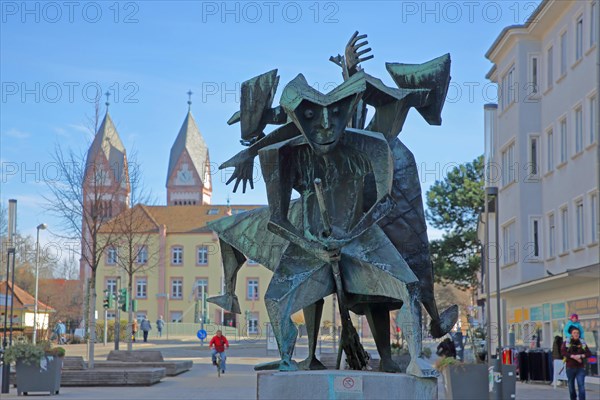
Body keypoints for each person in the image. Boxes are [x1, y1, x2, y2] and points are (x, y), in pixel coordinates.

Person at [561, 326, 591, 400]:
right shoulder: (566, 342)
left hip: (580, 368)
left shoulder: (582, 342)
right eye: (574, 333)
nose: (576, 334)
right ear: (571, 334)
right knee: (571, 387)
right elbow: (563, 352)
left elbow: (588, 353)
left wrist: (580, 356)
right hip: (570, 368)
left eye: (577, 333)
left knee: (581, 386)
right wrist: (574, 357)